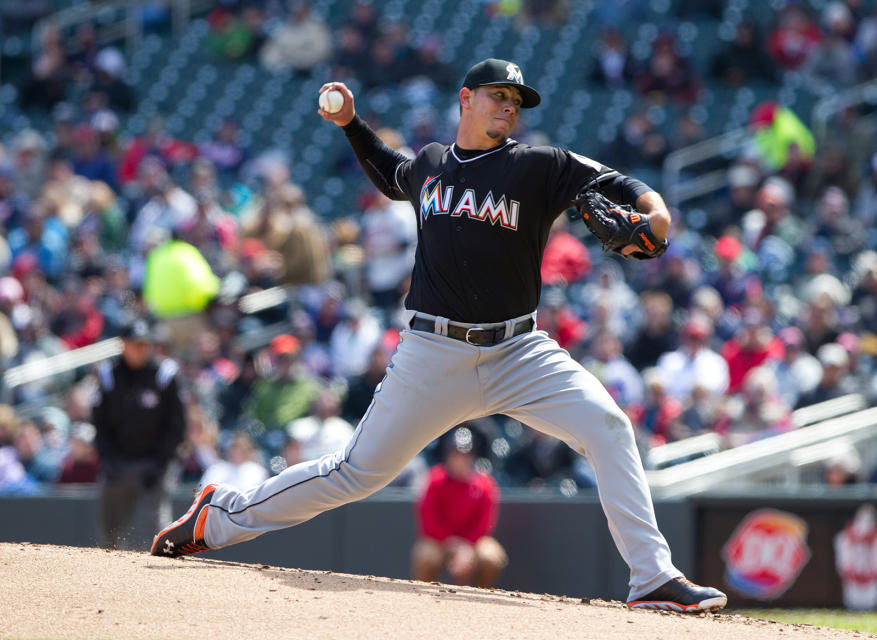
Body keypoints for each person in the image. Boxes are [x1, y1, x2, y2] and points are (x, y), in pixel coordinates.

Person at [151, 57, 726, 613]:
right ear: (466, 99)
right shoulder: (430, 162)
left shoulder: (537, 165)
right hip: (433, 351)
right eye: (498, 95)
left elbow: (624, 184)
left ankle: (652, 576)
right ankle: (215, 519)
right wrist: (352, 124)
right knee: (353, 474)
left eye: (516, 101)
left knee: (609, 427)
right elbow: (392, 174)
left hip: (518, 351)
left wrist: (655, 216)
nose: (508, 107)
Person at [95, 318, 186, 549]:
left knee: (156, 532)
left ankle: (156, 577)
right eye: (135, 344)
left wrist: (160, 463)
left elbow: (176, 426)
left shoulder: (163, 376)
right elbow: (99, 424)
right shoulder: (109, 375)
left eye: (145, 344)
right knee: (110, 532)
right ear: (123, 344)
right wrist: (108, 459)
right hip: (118, 462)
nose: (140, 350)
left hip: (153, 464)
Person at [412, 426, 507, 588]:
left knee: (491, 556)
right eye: (456, 455)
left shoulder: (485, 483)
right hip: (441, 541)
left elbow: (484, 524)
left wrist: (466, 547)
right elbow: (429, 522)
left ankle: (482, 599)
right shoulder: (435, 479)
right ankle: (422, 597)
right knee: (426, 555)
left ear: (472, 458)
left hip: (473, 542)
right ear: (448, 456)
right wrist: (453, 544)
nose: (460, 460)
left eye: (465, 456)